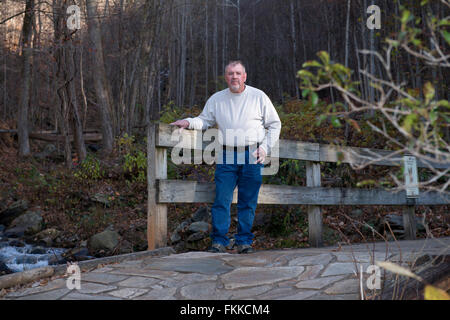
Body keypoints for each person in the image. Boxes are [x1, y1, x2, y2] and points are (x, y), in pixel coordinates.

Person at [170, 61, 281, 254]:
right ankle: (219, 242)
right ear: (226, 77)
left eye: (238, 73)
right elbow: (204, 120)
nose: (234, 77)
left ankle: (244, 241)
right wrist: (188, 121)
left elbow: (275, 124)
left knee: (248, 201)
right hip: (227, 154)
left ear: (244, 76)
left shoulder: (258, 97)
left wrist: (265, 148)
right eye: (230, 73)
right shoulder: (217, 99)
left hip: (252, 155)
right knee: (222, 199)